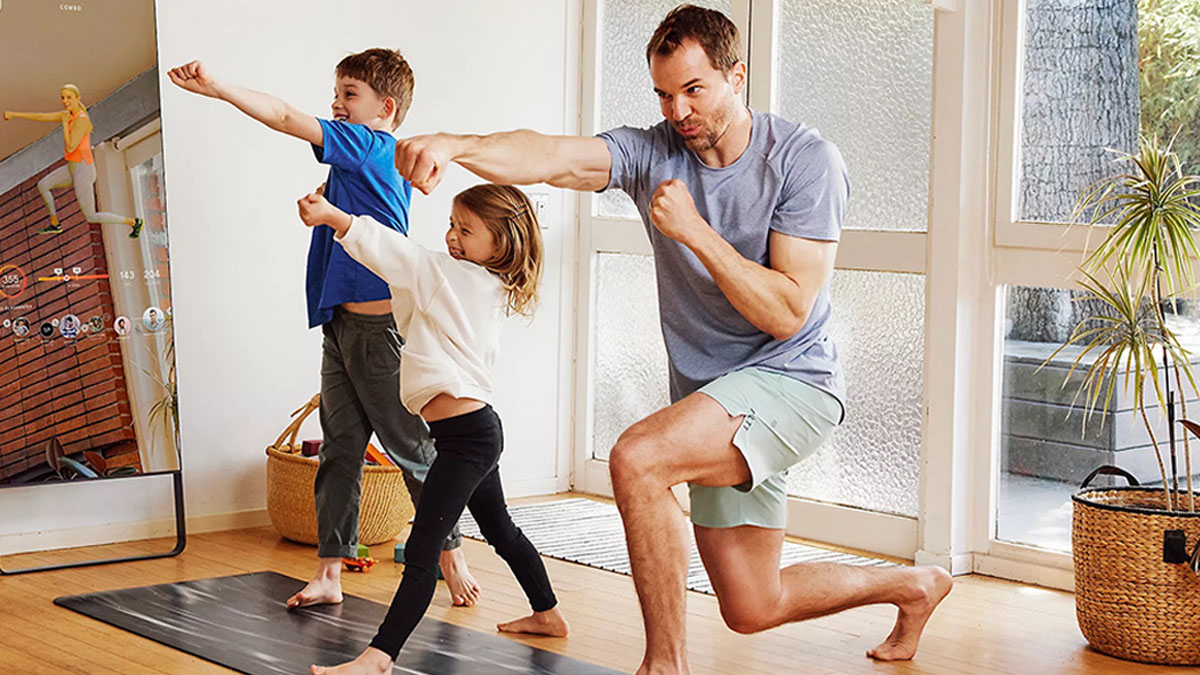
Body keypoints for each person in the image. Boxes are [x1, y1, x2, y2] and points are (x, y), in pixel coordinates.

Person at [389, 5, 952, 672]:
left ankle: (665, 665)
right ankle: (915, 586)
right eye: (663, 94)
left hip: (795, 382)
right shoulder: (653, 152)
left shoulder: (804, 160)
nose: (677, 110)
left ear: (736, 76)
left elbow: (788, 312)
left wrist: (694, 231)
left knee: (638, 458)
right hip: (718, 399)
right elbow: (550, 156)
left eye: (693, 90)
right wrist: (456, 145)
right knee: (753, 605)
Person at [167, 49, 480, 609]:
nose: (336, 104)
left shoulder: (370, 145)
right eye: (336, 93)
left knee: (411, 448)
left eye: (349, 94)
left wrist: (218, 87)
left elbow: (286, 116)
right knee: (340, 450)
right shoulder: (359, 158)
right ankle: (330, 573)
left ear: (386, 108)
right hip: (341, 325)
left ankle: (452, 555)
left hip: (377, 333)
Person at [298, 184, 567, 675]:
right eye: (451, 225)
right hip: (473, 433)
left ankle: (377, 660)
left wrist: (335, 216)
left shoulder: (451, 278)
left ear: (502, 242)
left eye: (466, 230)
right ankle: (547, 613)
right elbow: (407, 275)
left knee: (422, 550)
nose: (452, 237)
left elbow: (396, 254)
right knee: (500, 529)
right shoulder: (479, 282)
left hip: (467, 440)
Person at [4, 84, 144, 237]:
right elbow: (42, 116)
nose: (65, 101)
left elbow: (71, 147)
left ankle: (133, 222)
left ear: (78, 98)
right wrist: (14, 114)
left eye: (69, 97)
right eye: (63, 98)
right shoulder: (68, 115)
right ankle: (55, 224)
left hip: (84, 171)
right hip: (73, 168)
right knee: (43, 185)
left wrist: (64, 124)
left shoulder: (81, 120)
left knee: (91, 216)